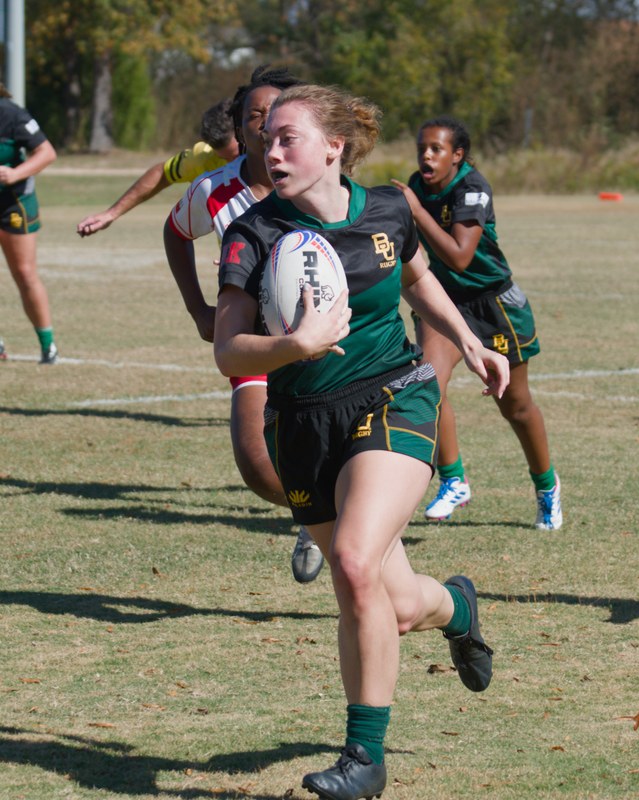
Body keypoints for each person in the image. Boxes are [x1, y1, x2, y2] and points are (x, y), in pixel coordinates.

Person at [213, 84, 510, 800]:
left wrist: (469, 341)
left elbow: (418, 279)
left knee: (350, 561)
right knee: (396, 604)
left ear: (333, 148)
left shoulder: (386, 208)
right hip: (301, 422)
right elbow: (228, 351)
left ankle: (363, 760)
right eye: (266, 138)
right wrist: (295, 345)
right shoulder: (252, 233)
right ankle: (458, 608)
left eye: (288, 137)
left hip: (394, 393)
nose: (270, 150)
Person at [163, 65, 324, 584]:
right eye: (255, 114)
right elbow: (175, 232)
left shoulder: (318, 181)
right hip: (251, 339)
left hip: (317, 339)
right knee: (257, 466)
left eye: (275, 113)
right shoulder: (214, 190)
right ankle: (317, 510)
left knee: (334, 443)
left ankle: (333, 514)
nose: (265, 122)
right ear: (239, 127)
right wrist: (198, 309)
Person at [392, 116, 562, 529]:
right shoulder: (416, 187)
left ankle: (547, 487)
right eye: (422, 148)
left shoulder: (472, 188)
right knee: (428, 385)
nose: (426, 156)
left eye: (436, 149)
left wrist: (415, 210)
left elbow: (459, 256)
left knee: (516, 406)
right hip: (446, 304)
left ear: (458, 155)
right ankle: (454, 480)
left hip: (493, 306)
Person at [76, 98, 240, 237]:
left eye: (235, 155)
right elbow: (162, 173)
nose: (232, 164)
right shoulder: (204, 158)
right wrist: (111, 214)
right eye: (224, 158)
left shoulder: (258, 152)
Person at [0, 82, 59, 364]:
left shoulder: (10, 114)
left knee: (24, 273)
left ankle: (48, 346)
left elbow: (46, 152)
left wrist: (15, 174)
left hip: (14, 201)